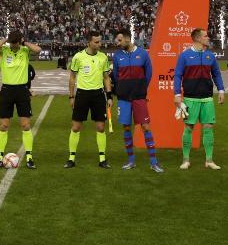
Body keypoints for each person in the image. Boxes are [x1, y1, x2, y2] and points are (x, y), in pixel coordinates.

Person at [173, 28, 225, 170]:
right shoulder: (185, 56)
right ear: (197, 39)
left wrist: (221, 90)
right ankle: (185, 160)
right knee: (189, 128)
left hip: (207, 98)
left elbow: (216, 74)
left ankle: (209, 160)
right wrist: (177, 94)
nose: (208, 38)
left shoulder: (210, 56)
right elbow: (177, 75)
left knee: (208, 127)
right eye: (205, 36)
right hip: (190, 98)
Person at [0, 30, 42, 169]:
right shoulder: (4, 50)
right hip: (7, 90)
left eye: (15, 43)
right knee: (4, 126)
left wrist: (24, 42)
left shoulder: (25, 50)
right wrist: (6, 39)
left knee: (25, 125)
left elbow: (38, 50)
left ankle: (29, 157)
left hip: (22, 91)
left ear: (19, 41)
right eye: (11, 43)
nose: (13, 46)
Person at [111, 27, 160, 172]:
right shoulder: (117, 56)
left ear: (127, 38)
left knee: (145, 127)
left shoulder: (143, 54)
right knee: (126, 127)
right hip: (124, 98)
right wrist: (122, 89)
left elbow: (148, 75)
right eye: (117, 41)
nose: (118, 43)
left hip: (139, 97)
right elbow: (116, 76)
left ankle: (154, 162)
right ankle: (131, 161)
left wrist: (140, 89)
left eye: (120, 40)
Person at [65, 31, 113, 169]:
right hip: (82, 95)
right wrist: (71, 96)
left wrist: (109, 96)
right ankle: (71, 158)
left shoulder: (103, 57)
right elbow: (72, 77)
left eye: (100, 41)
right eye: (96, 42)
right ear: (89, 42)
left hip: (98, 95)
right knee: (75, 127)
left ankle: (102, 159)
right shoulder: (78, 57)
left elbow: (106, 78)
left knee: (100, 127)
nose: (99, 44)